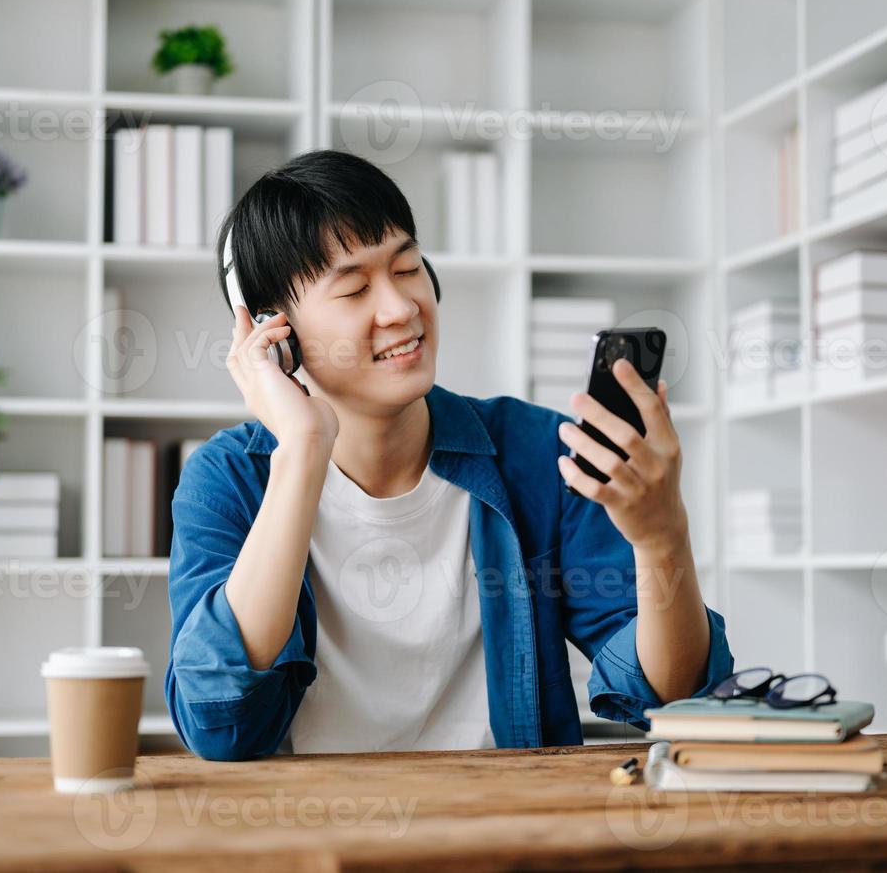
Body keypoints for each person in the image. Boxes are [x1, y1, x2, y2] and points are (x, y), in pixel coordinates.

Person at [165, 149, 733, 760]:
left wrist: (661, 538)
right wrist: (302, 452)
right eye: (355, 289)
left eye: (407, 268)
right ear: (274, 332)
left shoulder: (540, 454)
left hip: (504, 834)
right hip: (312, 843)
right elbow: (219, 723)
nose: (402, 308)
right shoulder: (227, 478)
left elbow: (674, 699)